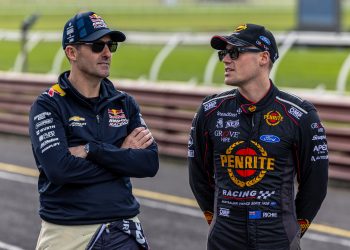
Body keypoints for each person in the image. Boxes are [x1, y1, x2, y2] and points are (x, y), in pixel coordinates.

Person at [188, 23, 328, 250]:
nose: (225, 59)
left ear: (263, 58)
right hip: (225, 237)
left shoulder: (300, 115)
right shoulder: (210, 111)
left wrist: (290, 229)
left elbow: (315, 186)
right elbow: (198, 177)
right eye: (223, 53)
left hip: (277, 238)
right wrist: (220, 221)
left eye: (235, 52)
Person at [29, 11, 159, 250]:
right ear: (72, 52)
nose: (107, 53)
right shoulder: (48, 104)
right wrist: (121, 156)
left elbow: (149, 163)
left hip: (123, 227)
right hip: (68, 232)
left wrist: (94, 150)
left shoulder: (124, 103)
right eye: (97, 46)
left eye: (112, 46)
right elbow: (60, 169)